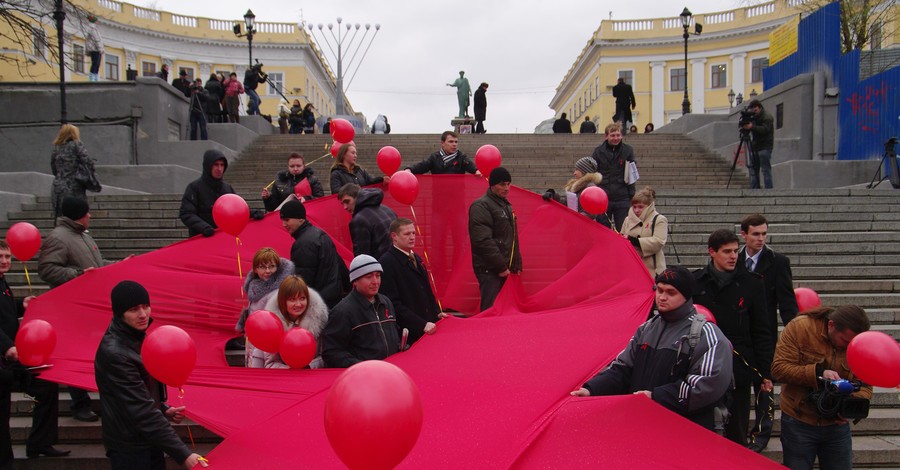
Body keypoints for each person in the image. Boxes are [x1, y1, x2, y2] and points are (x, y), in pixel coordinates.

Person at [572, 266, 733, 432]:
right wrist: (591, 389)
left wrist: (656, 397)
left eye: (671, 293)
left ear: (686, 296)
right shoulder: (646, 329)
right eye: (659, 290)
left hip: (685, 431)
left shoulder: (707, 334)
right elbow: (622, 369)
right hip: (643, 426)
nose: (662, 297)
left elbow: (707, 386)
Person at [94, 281, 207, 469]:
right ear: (120, 313)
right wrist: (183, 454)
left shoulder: (135, 336)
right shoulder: (115, 353)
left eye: (145, 306)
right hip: (130, 447)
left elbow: (141, 391)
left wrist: (162, 408)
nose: (143, 314)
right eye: (133, 309)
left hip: (147, 438)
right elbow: (140, 410)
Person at [693, 229, 772, 447]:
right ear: (712, 252)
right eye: (726, 251)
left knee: (737, 429)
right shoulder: (696, 281)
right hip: (704, 365)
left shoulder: (753, 284)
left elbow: (762, 330)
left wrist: (765, 372)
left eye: (736, 251)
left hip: (739, 365)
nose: (733, 256)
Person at [771, 305, 872, 470]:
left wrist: (851, 405)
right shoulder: (801, 327)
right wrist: (818, 373)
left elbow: (866, 384)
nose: (848, 347)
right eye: (845, 341)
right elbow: (779, 369)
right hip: (799, 419)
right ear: (831, 325)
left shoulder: (862, 343)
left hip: (837, 426)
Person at [1, 240, 70, 462]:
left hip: (13, 355)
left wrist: (22, 303)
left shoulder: (3, 281)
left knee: (45, 385)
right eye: (0, 257)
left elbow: (5, 310)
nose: (4, 262)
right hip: (5, 356)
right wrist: (7, 346)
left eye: (7, 257)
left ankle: (40, 443)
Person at [737, 213, 798, 452]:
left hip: (765, 332)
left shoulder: (778, 261)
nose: (760, 239)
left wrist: (794, 332)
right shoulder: (734, 257)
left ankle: (761, 435)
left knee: (765, 383)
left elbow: (787, 301)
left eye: (764, 234)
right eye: (755, 234)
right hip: (739, 333)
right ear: (744, 235)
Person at [321, 255, 400, 368]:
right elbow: (331, 352)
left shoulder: (386, 302)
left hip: (389, 372)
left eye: (378, 276)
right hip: (362, 378)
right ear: (355, 281)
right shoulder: (343, 311)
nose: (375, 281)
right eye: (369, 277)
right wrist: (360, 366)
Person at [378, 218, 441, 345]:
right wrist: (421, 324)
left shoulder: (415, 257)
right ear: (394, 236)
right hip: (409, 332)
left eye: (413, 233)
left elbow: (427, 291)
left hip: (427, 326)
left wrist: (437, 314)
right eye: (407, 234)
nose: (412, 237)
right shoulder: (387, 263)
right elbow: (393, 304)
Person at [468, 167, 523, 311]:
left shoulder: (505, 205)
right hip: (490, 270)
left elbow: (512, 239)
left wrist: (516, 265)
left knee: (505, 311)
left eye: (509, 184)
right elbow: (483, 240)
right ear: (492, 185)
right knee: (491, 310)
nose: (507, 188)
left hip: (505, 269)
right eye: (502, 184)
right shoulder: (481, 206)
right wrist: (500, 267)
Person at [279, 200, 349, 309]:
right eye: (282, 220)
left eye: (287, 220)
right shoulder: (320, 235)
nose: (284, 224)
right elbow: (339, 264)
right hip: (333, 298)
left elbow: (302, 282)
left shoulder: (303, 244)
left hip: (318, 303)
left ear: (300, 219)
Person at [179, 149, 262, 237]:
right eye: (216, 165)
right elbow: (186, 213)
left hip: (224, 239)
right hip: (202, 239)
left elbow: (237, 209)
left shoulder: (227, 188)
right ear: (208, 166)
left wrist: (253, 213)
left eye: (222, 165)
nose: (219, 169)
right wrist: (203, 227)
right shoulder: (194, 187)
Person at [232, 248, 295, 364]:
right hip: (254, 339)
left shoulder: (278, 292)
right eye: (262, 267)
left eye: (272, 266)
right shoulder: (254, 287)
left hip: (268, 344)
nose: (268, 271)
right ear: (255, 269)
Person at [262, 275, 329, 369]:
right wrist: (290, 369)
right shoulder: (272, 325)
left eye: (302, 298)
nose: (298, 304)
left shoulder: (318, 320)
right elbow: (270, 363)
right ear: (283, 302)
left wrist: (308, 366)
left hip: (310, 376)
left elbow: (325, 357)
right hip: (283, 378)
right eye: (292, 299)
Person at [590, 122, 636, 232]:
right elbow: (592, 172)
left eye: (618, 135)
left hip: (622, 195)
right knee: (603, 230)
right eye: (612, 135)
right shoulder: (598, 151)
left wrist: (631, 194)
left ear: (621, 136)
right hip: (604, 195)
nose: (616, 138)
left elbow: (632, 173)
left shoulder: (628, 150)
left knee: (623, 229)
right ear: (606, 136)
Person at [338, 184, 397, 259]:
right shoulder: (388, 209)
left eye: (347, 201)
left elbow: (362, 257)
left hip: (379, 266)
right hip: (397, 262)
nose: (345, 207)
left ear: (357, 197)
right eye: (343, 203)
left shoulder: (359, 220)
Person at [620, 186, 668, 276]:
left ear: (649, 206)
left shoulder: (659, 219)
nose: (636, 210)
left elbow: (659, 241)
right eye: (634, 207)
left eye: (640, 207)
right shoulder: (627, 220)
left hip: (652, 269)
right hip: (632, 267)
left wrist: (635, 241)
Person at [50, 123, 92, 218]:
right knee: (77, 215)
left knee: (61, 215)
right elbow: (86, 162)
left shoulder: (56, 148)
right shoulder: (77, 145)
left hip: (58, 187)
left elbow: (53, 168)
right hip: (75, 186)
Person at [407, 131, 481, 175]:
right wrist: (409, 170)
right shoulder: (434, 158)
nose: (454, 144)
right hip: (439, 195)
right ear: (442, 143)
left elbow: (471, 166)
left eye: (456, 142)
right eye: (451, 142)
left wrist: (476, 170)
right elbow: (423, 165)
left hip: (457, 196)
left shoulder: (461, 157)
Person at [742, 99, 775, 189]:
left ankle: (768, 190)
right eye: (752, 109)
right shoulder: (753, 118)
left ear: (759, 107)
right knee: (753, 169)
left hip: (765, 147)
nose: (754, 111)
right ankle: (754, 189)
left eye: (755, 109)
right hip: (755, 146)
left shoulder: (767, 117)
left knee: (765, 169)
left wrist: (752, 126)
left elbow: (765, 130)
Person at [85, 15, 103, 82]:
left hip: (94, 48)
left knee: (96, 64)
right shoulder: (93, 29)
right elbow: (96, 39)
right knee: (96, 63)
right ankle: (93, 77)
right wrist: (100, 48)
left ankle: (94, 76)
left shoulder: (92, 28)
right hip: (95, 49)